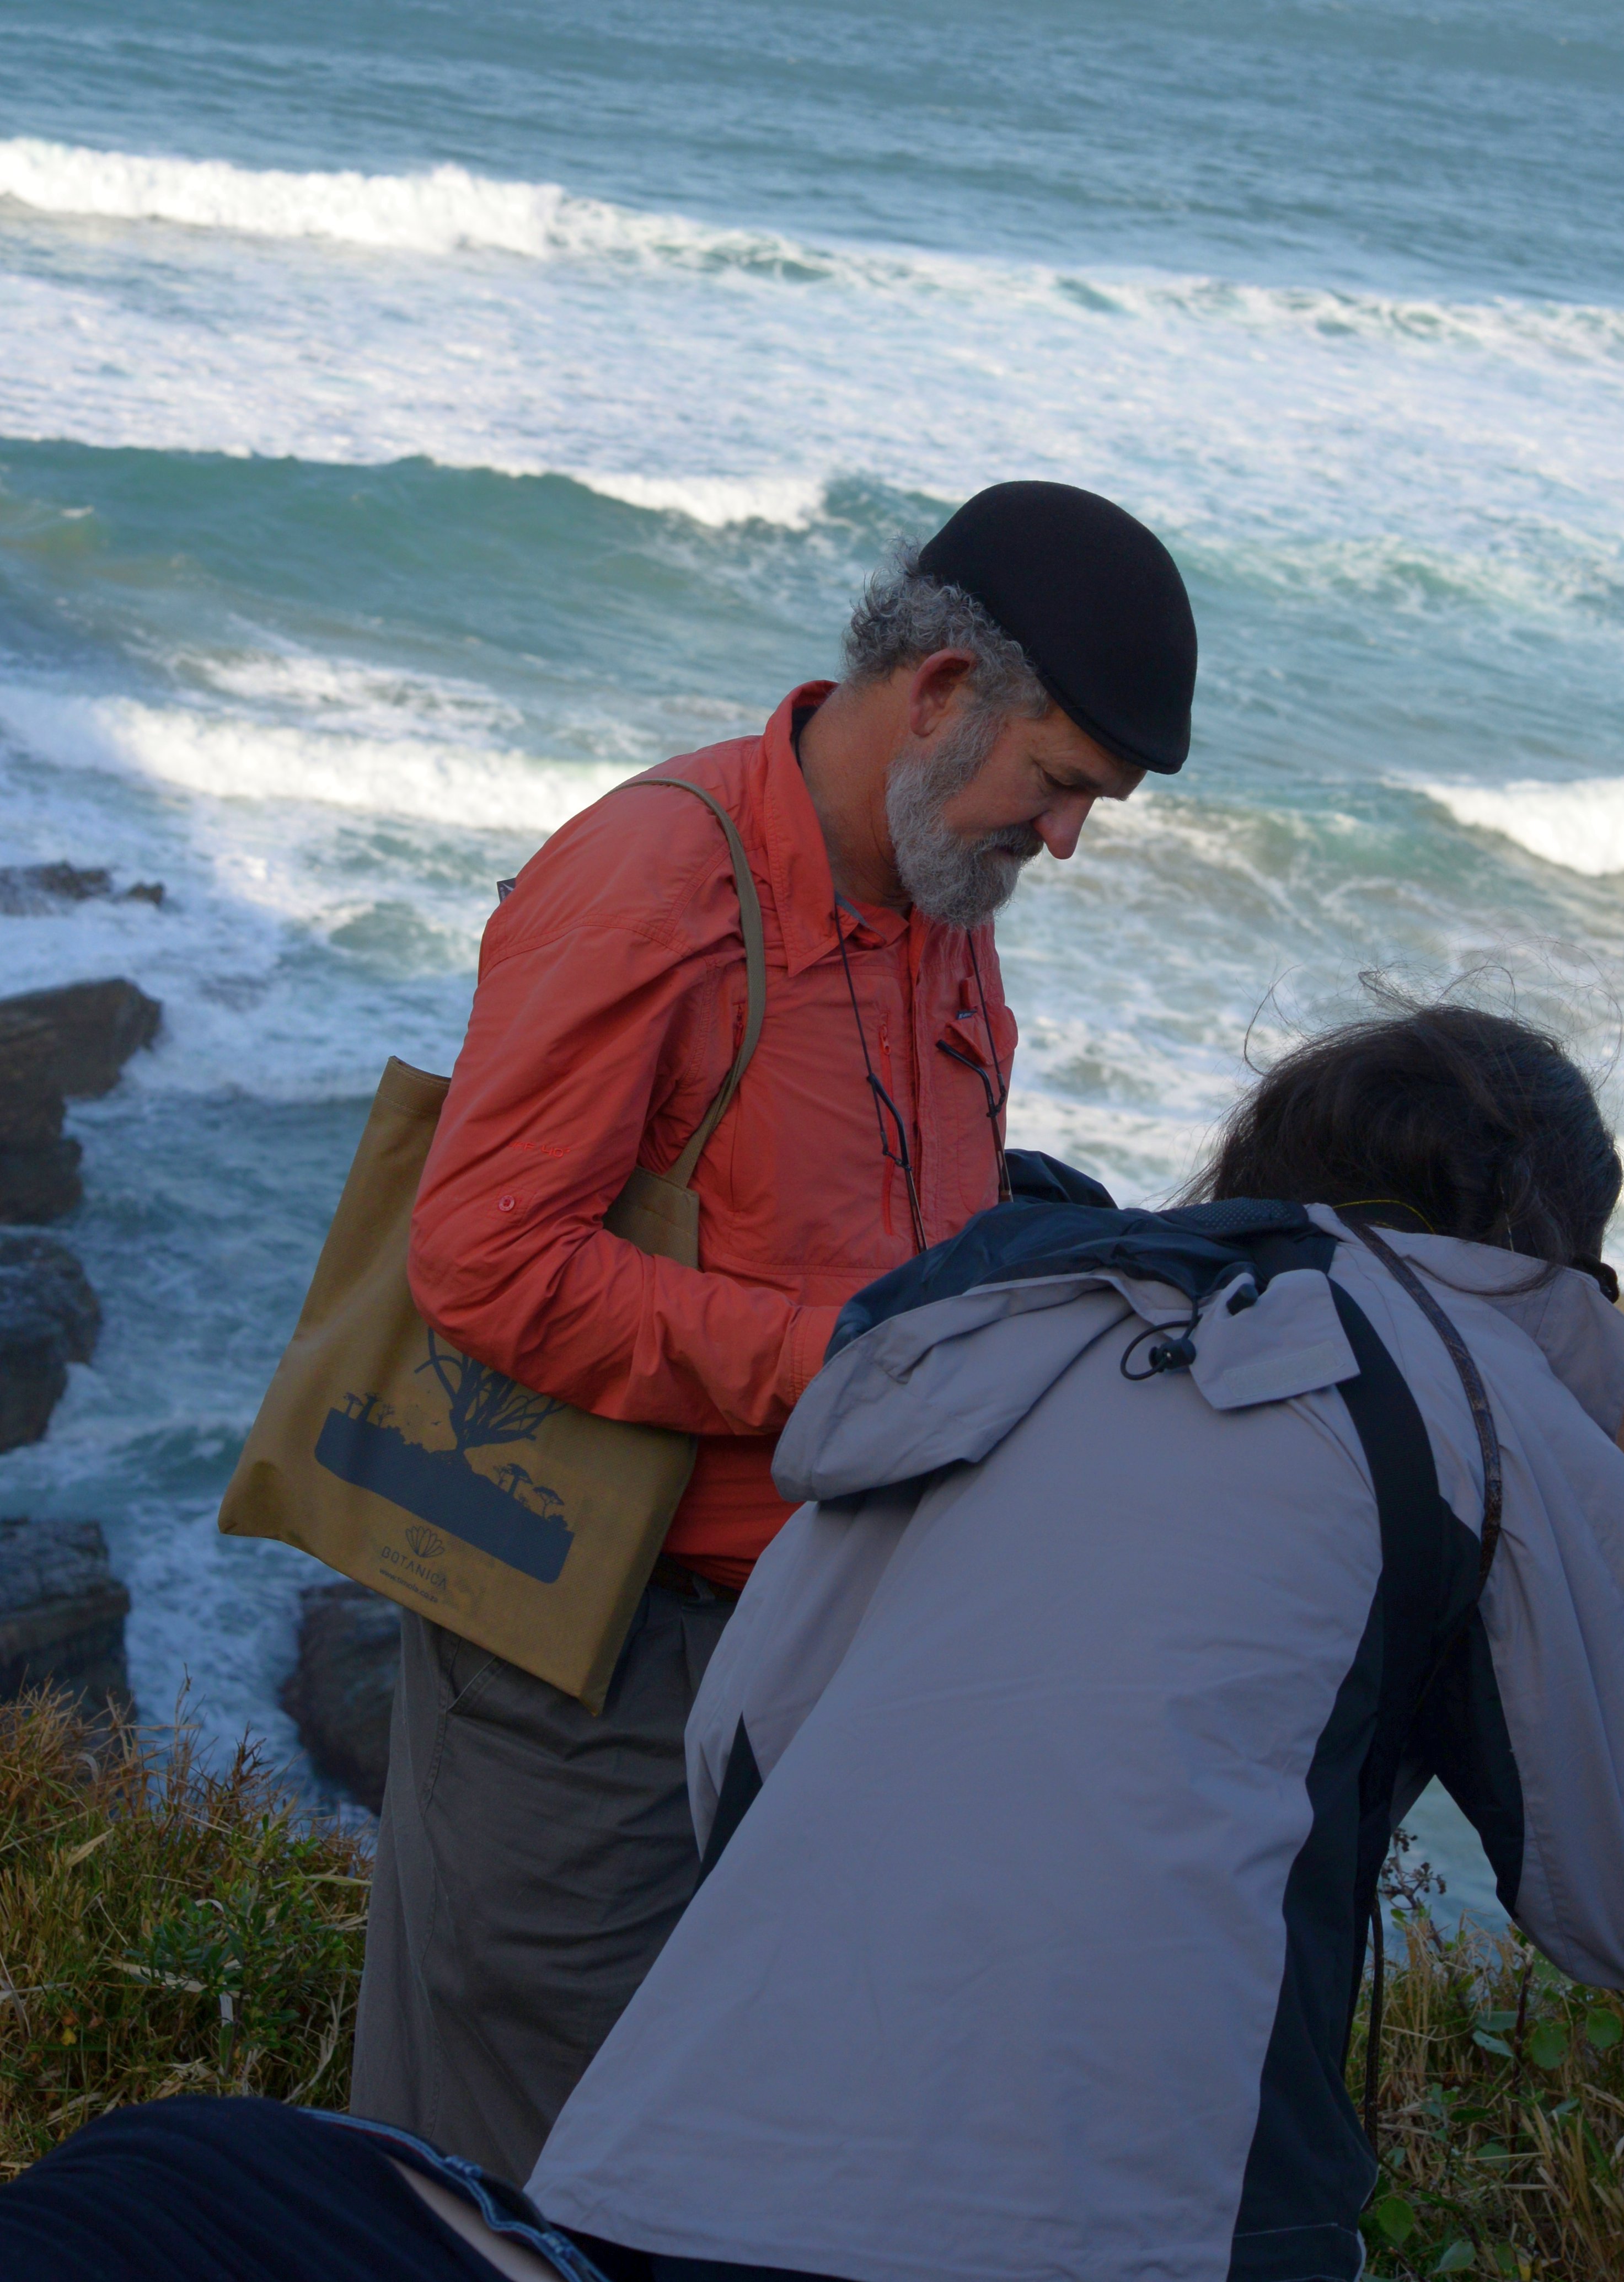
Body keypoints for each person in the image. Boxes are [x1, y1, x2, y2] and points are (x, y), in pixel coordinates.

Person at [524, 1001, 1624, 2282]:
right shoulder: (1479, 1391)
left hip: (692, 2166)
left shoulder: (1011, 1331)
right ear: (1554, 1263)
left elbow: (738, 1738)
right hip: (1130, 2214)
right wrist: (1619, 1500)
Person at [351, 480, 1200, 2183]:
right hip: (591, 1672)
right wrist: (841, 1363)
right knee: (514, 2176)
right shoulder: (656, 873)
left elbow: (891, 1215)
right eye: (1056, 787)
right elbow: (485, 1259)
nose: (1061, 843)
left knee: (721, 2168)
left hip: (817, 1668)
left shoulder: (945, 905)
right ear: (940, 690)